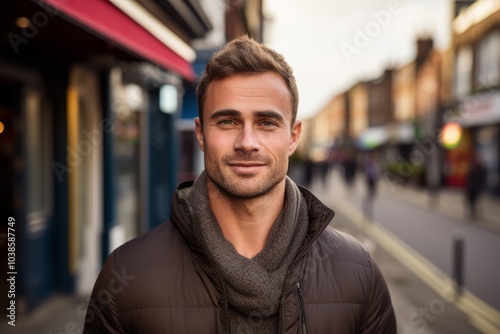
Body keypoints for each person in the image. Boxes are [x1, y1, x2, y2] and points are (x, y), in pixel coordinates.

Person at [84, 36, 396, 333]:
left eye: (266, 123)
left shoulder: (360, 274)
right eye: (228, 121)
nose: (247, 143)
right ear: (201, 134)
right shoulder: (127, 276)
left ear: (293, 136)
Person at [465, 155, 487, 220]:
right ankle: (472, 212)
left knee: (475, 201)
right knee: (470, 200)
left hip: (476, 188)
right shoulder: (471, 168)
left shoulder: (481, 169)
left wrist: (481, 186)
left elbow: (483, 178)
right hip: (470, 187)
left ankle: (475, 213)